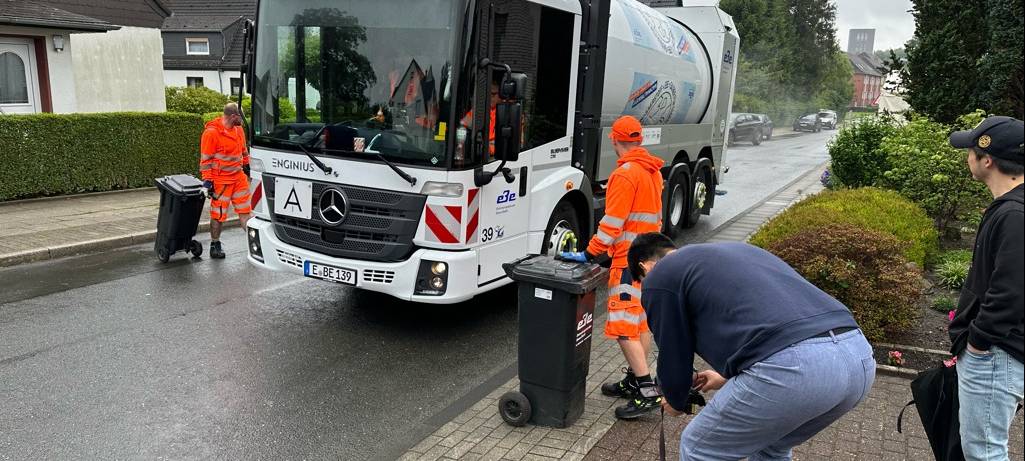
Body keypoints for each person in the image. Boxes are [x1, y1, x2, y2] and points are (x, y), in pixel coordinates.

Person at [627, 233, 875, 460]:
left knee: (700, 447)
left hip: (795, 369)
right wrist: (726, 377)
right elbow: (765, 322)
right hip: (858, 358)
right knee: (771, 447)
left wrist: (675, 397)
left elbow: (673, 351)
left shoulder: (659, 276)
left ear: (645, 267)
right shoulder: (731, 252)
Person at [560, 115, 665, 419]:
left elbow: (612, 224)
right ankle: (635, 381)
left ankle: (647, 392)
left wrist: (590, 253)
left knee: (623, 329)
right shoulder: (652, 172)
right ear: (640, 140)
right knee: (641, 323)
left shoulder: (624, 175)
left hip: (627, 263)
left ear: (614, 140)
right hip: (649, 260)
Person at [947, 115, 1024, 461]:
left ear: (987, 159)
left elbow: (1011, 291)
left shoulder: (1014, 215)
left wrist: (977, 343)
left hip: (995, 354)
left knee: (984, 453)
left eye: (970, 151)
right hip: (1002, 351)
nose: (967, 157)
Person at [199, 102, 251, 259]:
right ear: (233, 116)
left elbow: (243, 151)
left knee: (245, 212)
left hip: (238, 178)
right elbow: (206, 161)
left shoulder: (239, 130)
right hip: (221, 182)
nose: (243, 120)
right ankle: (215, 244)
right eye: (241, 117)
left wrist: (248, 167)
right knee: (218, 215)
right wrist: (207, 183)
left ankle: (255, 244)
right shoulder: (211, 133)